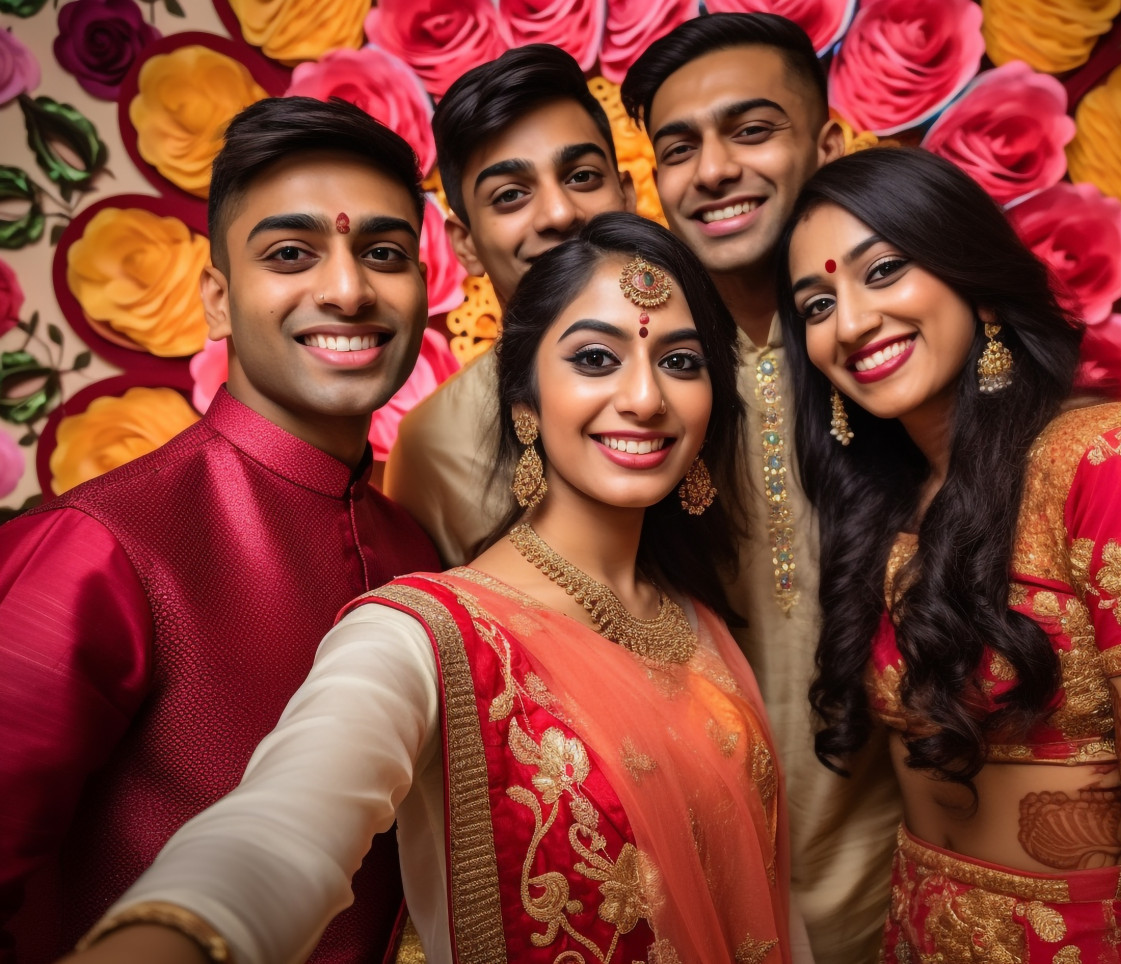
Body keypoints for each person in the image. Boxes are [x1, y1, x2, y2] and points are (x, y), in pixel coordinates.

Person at [64, 213, 798, 964]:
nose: (645, 398)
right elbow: (281, 830)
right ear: (526, 401)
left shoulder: (694, 622)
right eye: (595, 359)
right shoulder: (422, 636)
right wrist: (178, 933)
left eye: (680, 362)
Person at [0, 97, 440, 964]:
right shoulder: (100, 545)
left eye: (383, 253)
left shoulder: (419, 549)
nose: (348, 289)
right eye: (289, 254)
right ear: (216, 299)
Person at [779, 147, 1121, 962]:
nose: (849, 324)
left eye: (883, 270)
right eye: (817, 303)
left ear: (974, 279)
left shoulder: (1105, 461)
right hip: (917, 932)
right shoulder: (885, 502)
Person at [620, 15, 900, 962]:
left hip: (912, 891)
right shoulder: (643, 396)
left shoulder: (894, 358)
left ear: (827, 145)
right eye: (679, 148)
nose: (712, 171)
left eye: (751, 130)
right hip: (703, 908)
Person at [384, 44, 635, 563]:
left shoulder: (722, 368)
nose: (560, 213)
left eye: (582, 177)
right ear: (466, 244)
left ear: (628, 197)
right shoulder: (433, 445)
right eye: (510, 195)